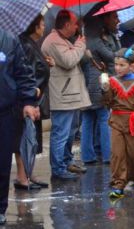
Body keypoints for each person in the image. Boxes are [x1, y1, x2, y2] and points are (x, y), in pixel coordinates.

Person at [41, 10, 92, 180]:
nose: (77, 26)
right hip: (63, 95)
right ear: (67, 24)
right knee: (60, 133)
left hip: (70, 95)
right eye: (75, 23)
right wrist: (79, 45)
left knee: (70, 131)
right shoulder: (53, 41)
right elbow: (69, 61)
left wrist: (81, 48)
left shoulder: (63, 40)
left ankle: (66, 161)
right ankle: (58, 169)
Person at [102, 48, 134, 199]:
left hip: (133, 121)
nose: (118, 68)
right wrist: (105, 90)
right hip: (117, 120)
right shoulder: (112, 81)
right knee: (117, 154)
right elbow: (108, 102)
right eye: (116, 65)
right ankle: (118, 184)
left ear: (131, 66)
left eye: (122, 65)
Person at [0, 29, 39, 225]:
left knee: (1, 163)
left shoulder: (8, 39)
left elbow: (23, 73)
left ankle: (0, 208)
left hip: (4, 111)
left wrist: (29, 102)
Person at [16, 14, 51, 190]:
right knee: (26, 137)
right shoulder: (26, 45)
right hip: (31, 99)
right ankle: (23, 177)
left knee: (31, 137)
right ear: (35, 27)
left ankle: (28, 174)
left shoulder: (30, 43)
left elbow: (37, 67)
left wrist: (46, 64)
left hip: (35, 97)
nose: (44, 28)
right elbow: (28, 72)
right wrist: (32, 96)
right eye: (42, 25)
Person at [82, 12, 120, 166]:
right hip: (98, 84)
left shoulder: (83, 41)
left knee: (87, 120)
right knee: (104, 119)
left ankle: (87, 156)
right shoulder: (97, 41)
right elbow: (112, 57)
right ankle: (107, 155)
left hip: (85, 84)